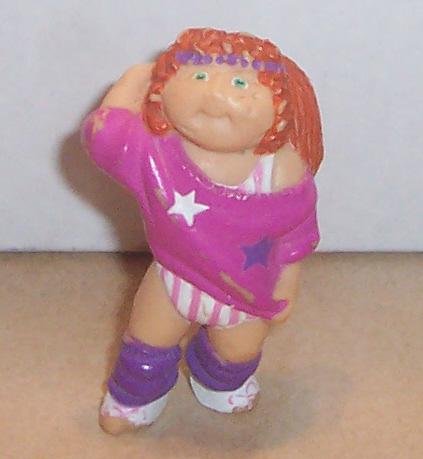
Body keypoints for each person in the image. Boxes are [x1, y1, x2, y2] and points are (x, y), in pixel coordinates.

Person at [82, 28, 323, 435]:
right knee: (148, 340)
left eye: (241, 83)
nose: (214, 93)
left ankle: (220, 380)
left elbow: (295, 236)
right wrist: (135, 79)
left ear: (280, 108)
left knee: (238, 350)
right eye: (198, 76)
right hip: (172, 280)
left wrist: (287, 284)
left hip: (247, 290)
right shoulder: (155, 153)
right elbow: (104, 137)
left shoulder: (281, 171)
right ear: (162, 90)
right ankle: (133, 398)